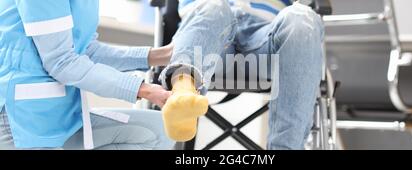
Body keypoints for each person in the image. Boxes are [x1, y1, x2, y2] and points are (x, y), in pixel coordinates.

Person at [0, 0, 175, 150]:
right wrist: (144, 90)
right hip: (23, 121)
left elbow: (86, 50)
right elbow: (61, 62)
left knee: (161, 130)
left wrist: (161, 55)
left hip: (62, 116)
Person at [159, 0, 324, 149]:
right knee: (214, 6)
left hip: (268, 37)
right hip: (209, 33)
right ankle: (183, 92)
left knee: (302, 17)